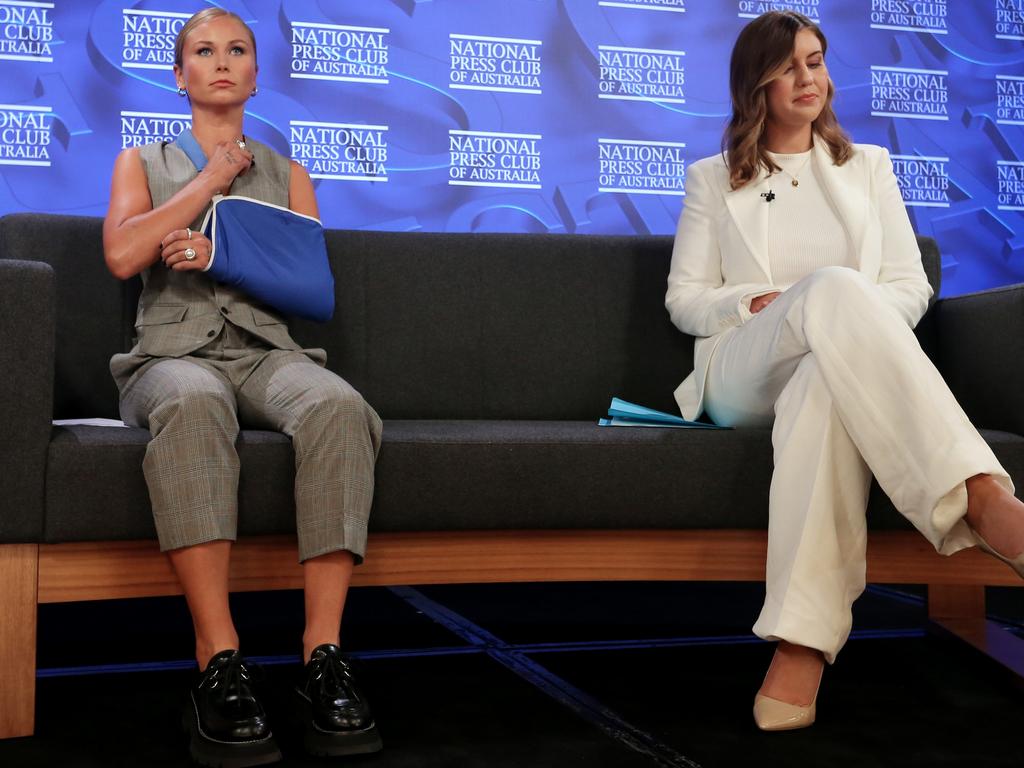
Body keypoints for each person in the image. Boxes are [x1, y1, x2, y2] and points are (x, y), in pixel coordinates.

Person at [665, 10, 1024, 732]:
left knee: (828, 377)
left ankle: (801, 645)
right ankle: (981, 496)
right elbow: (685, 301)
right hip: (743, 372)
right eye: (791, 64)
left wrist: (847, 325)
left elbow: (907, 283)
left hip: (830, 370)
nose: (810, 77)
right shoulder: (712, 179)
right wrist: (757, 301)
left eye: (818, 61)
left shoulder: (870, 169)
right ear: (756, 83)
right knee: (831, 288)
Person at [103, 9, 383, 765]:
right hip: (170, 356)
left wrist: (220, 253)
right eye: (203, 51)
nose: (221, 62)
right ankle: (219, 660)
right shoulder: (143, 160)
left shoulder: (289, 173)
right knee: (194, 403)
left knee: (338, 405)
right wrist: (212, 179)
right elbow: (126, 255)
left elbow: (312, 291)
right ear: (180, 74)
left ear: (256, 75)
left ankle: (321, 656)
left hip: (265, 352)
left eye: (237, 51)